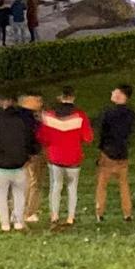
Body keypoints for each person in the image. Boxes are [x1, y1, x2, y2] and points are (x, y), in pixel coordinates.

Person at [37, 86, 93, 227]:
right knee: (72, 188)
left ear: (60, 97)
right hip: (73, 157)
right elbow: (88, 137)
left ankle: (54, 216)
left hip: (55, 157)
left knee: (56, 186)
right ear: (73, 97)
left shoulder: (49, 115)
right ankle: (70, 217)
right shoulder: (80, 115)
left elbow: (42, 137)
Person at [0, 95, 38, 231]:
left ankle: (5, 223)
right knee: (19, 193)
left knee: (1, 195)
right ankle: (18, 221)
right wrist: (29, 156)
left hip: (0, 164)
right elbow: (31, 141)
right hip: (19, 164)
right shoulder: (22, 121)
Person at [95, 83, 135, 223]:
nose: (112, 92)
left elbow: (101, 130)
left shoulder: (108, 112)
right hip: (122, 152)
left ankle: (99, 211)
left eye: (115, 91)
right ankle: (127, 213)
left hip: (108, 152)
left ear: (120, 95)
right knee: (124, 184)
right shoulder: (131, 114)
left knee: (102, 184)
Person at [17, 93, 46, 223]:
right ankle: (29, 212)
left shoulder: (17, 116)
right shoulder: (30, 119)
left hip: (19, 154)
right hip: (32, 154)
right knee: (34, 182)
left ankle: (19, 211)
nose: (40, 103)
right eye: (37, 100)